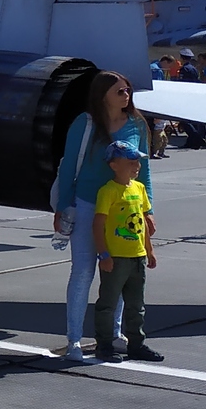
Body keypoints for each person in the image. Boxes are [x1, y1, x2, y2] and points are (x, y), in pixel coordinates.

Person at [51, 72, 151, 364]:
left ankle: (114, 335)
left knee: (119, 274)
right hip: (86, 206)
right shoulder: (85, 124)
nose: (126, 95)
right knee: (82, 272)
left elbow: (143, 171)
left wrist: (149, 210)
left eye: (128, 90)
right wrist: (62, 208)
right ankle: (74, 341)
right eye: (120, 91)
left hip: (124, 208)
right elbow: (69, 166)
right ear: (103, 94)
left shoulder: (137, 124)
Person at [90, 142, 163, 363]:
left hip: (137, 256)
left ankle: (136, 344)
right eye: (130, 162)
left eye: (137, 161)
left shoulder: (138, 188)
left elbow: (142, 224)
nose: (136, 165)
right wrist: (103, 254)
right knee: (108, 304)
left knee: (136, 306)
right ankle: (103, 344)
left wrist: (149, 251)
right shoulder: (108, 191)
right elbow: (98, 224)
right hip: (116, 258)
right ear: (113, 165)